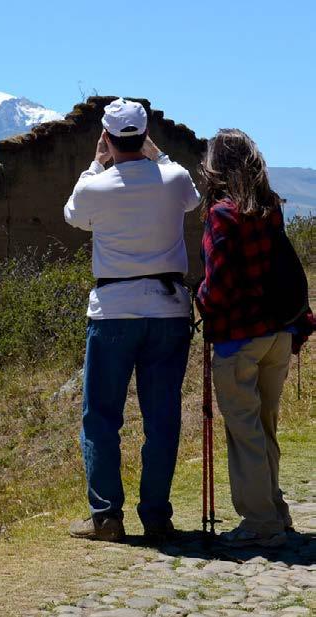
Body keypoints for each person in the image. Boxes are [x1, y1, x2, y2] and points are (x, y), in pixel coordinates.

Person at [64, 98, 200, 542]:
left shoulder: (96, 187)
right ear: (145, 136)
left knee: (102, 417)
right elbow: (193, 199)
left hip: (113, 311)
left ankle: (106, 517)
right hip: (168, 312)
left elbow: (73, 215)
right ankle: (156, 516)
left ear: (106, 137)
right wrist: (158, 156)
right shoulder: (173, 178)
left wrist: (95, 164)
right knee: (162, 416)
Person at [196, 128, 315, 548]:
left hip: (239, 338)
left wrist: (198, 298)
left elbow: (217, 286)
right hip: (278, 333)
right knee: (265, 426)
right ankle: (275, 510)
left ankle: (260, 521)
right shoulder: (270, 208)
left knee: (244, 431)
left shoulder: (222, 215)